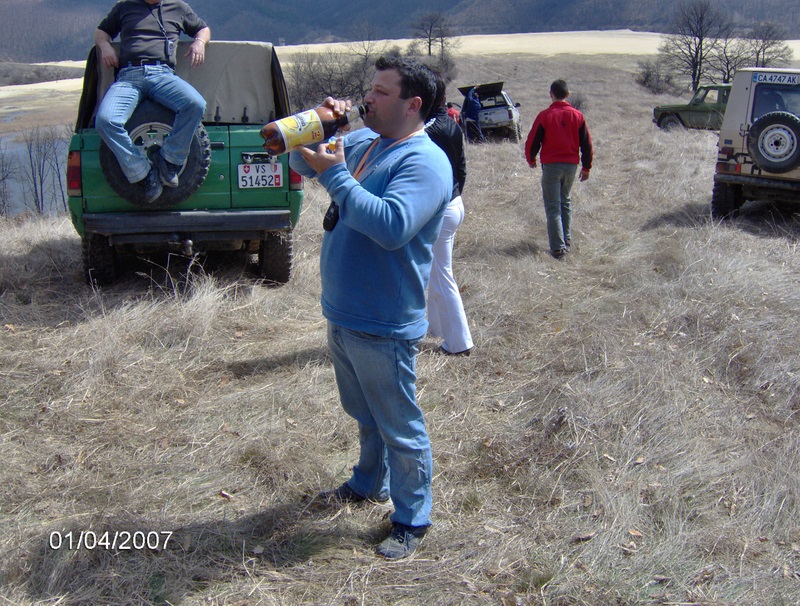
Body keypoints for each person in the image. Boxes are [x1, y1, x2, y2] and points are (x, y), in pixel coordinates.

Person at [289, 57, 453, 560]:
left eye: (381, 92)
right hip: (344, 312)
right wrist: (318, 124)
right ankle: (368, 482)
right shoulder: (364, 141)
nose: (368, 98)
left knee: (399, 425)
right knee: (364, 412)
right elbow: (300, 164)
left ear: (413, 104)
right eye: (370, 89)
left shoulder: (425, 162)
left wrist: (337, 178)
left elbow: (391, 226)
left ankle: (412, 518)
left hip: (384, 320)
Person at [94, 0, 211, 204]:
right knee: (105, 120)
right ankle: (143, 173)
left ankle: (168, 161)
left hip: (162, 74)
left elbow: (203, 29)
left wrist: (200, 42)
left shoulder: (178, 7)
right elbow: (101, 32)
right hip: (128, 76)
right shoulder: (125, 6)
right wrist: (105, 46)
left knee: (195, 104)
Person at [425, 74, 473, 356]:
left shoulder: (428, 131)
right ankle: (436, 327)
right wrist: (455, 194)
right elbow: (462, 168)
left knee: (442, 275)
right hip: (454, 204)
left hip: (442, 209)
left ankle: (459, 343)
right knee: (436, 271)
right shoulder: (452, 125)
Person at [524, 79, 593, 259]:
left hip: (551, 167)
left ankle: (557, 248)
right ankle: (566, 240)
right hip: (571, 166)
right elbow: (587, 144)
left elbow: (532, 141)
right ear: (568, 94)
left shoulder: (545, 116)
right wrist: (586, 167)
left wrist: (531, 159)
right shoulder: (578, 116)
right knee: (565, 202)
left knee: (553, 206)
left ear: (551, 94)